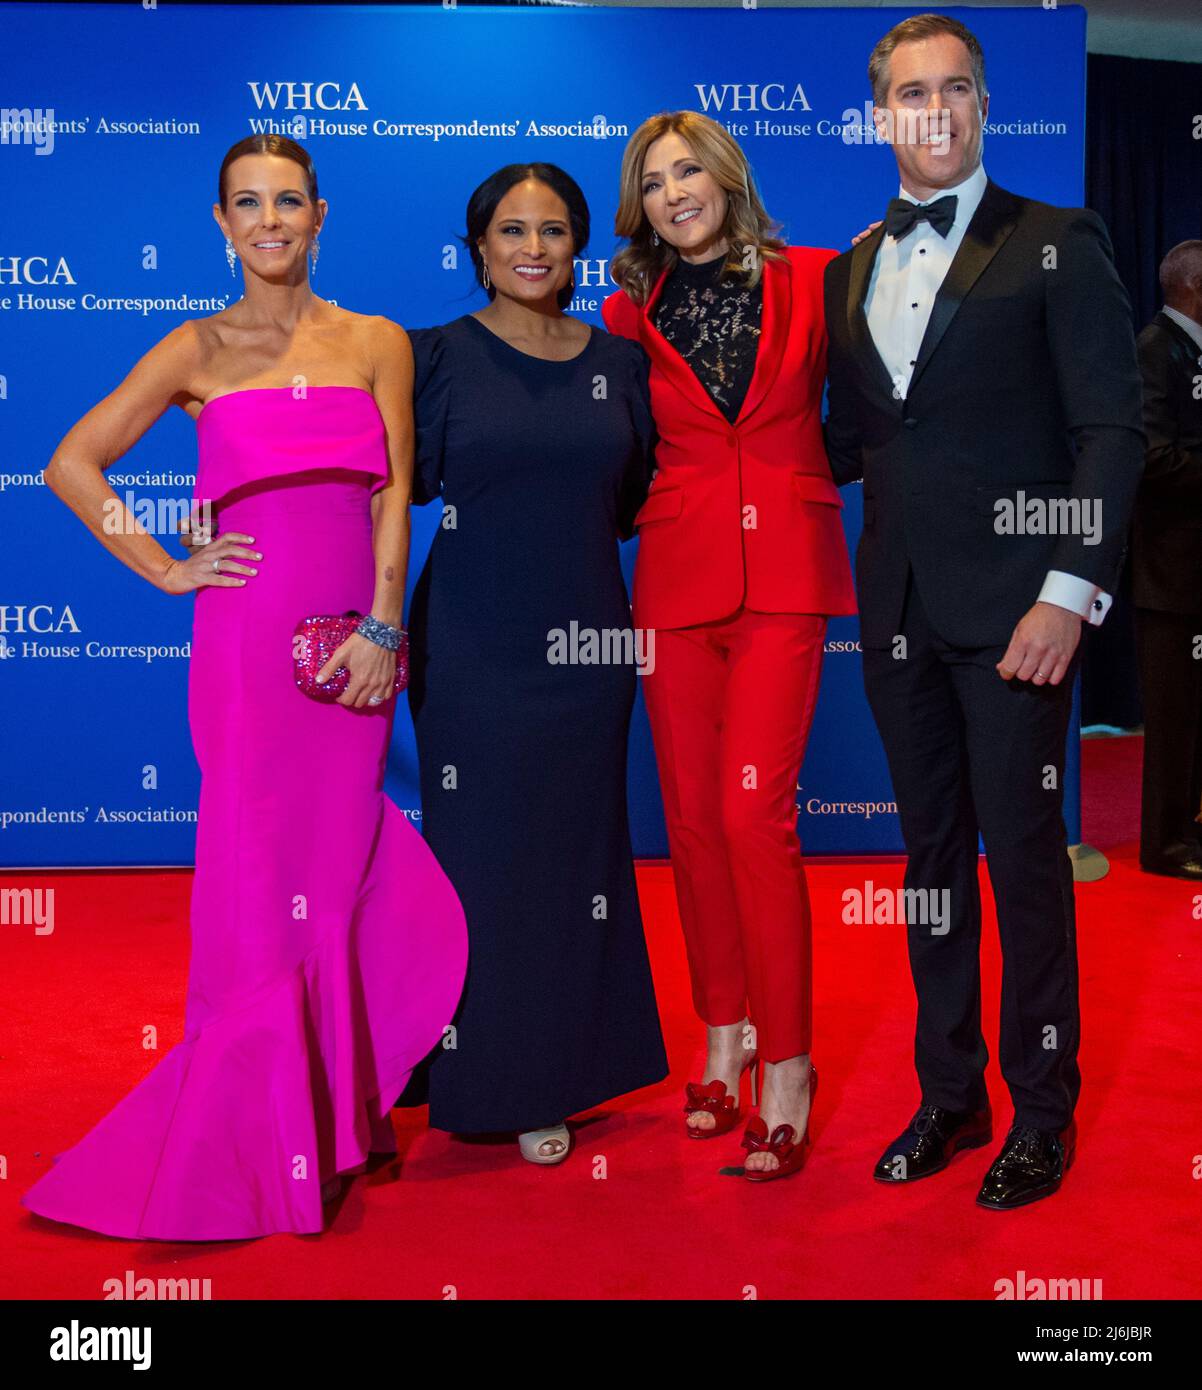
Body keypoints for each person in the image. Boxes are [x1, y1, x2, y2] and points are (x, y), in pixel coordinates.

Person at [21, 134, 467, 1240]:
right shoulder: (195, 348)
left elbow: (393, 494)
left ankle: (333, 1118)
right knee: (253, 871)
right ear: (220, 223)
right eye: (246, 205)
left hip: (347, 653)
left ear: (321, 215)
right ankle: (260, 1131)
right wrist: (169, 566)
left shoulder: (375, 343)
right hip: (242, 651)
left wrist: (382, 628)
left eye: (288, 203)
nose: (269, 222)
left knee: (335, 858)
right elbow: (73, 461)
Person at [823, 14, 1144, 1208]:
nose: (935, 110)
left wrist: (1068, 592)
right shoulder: (853, 268)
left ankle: (1040, 1114)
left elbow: (1112, 430)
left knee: (1022, 866)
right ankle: (946, 1097)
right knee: (929, 865)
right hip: (896, 608)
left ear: (982, 103)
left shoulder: (1056, 241)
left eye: (956, 88)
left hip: (1020, 615)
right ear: (878, 116)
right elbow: (852, 440)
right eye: (911, 93)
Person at [603, 112, 856, 1180]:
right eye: (653, 181)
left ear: (724, 176)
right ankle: (723, 1035)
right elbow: (611, 448)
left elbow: (886, 408)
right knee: (695, 821)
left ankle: (786, 1065)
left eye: (686, 170)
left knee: (755, 814)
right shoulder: (626, 310)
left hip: (785, 574)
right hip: (672, 580)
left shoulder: (816, 277)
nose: (673, 192)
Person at [398, 162, 669, 1164]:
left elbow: (634, 494)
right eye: (509, 230)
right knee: (480, 860)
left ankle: (562, 1068)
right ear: (477, 248)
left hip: (590, 644)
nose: (530, 248)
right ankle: (480, 1071)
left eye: (551, 230)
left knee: (576, 859)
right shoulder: (429, 357)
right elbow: (394, 489)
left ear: (575, 246)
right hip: (470, 642)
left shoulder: (618, 363)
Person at [1132, 241, 1202, 881]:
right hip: (1170, 572)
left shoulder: (1188, 350)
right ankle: (1166, 845)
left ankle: (1190, 831)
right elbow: (1149, 456)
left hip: (1190, 572)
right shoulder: (1157, 350)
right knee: (1175, 717)